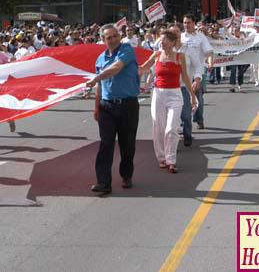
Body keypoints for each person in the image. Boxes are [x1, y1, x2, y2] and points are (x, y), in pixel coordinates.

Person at [84, 24, 140, 194]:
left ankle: (126, 174)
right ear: (103, 40)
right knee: (106, 144)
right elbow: (99, 86)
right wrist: (96, 107)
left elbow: (116, 68)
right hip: (107, 107)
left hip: (128, 105)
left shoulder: (127, 50)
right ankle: (103, 182)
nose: (113, 39)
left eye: (115, 36)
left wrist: (97, 77)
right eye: (109, 37)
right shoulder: (100, 59)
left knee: (127, 145)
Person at [139, 30, 196, 173]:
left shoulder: (180, 56)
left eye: (164, 40)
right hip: (158, 94)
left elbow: (186, 78)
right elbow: (143, 68)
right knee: (158, 127)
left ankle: (171, 160)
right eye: (160, 40)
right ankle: (161, 157)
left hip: (175, 94)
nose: (161, 42)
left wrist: (192, 95)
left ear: (172, 43)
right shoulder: (157, 55)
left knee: (171, 128)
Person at [180, 15, 213, 144]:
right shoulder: (180, 37)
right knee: (184, 100)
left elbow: (209, 51)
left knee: (198, 97)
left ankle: (199, 118)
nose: (186, 25)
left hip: (198, 72)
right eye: (184, 23)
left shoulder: (200, 37)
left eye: (189, 22)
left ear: (194, 23)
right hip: (185, 74)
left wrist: (210, 62)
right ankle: (185, 125)